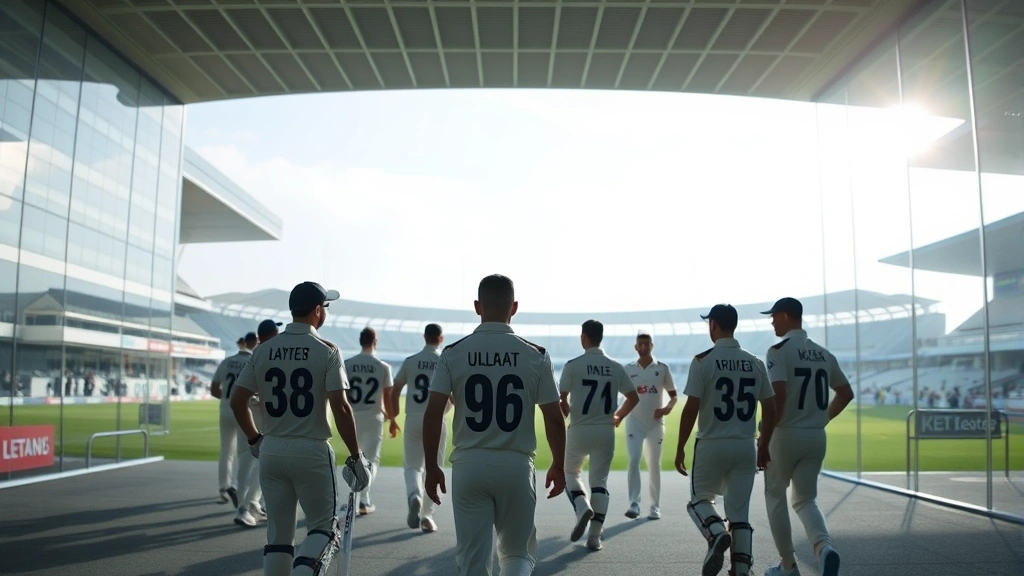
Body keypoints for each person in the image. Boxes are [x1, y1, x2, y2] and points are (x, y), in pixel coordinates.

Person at [423, 274, 567, 576]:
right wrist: (559, 464)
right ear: (514, 307)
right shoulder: (536, 354)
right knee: (517, 555)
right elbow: (554, 417)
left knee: (472, 561)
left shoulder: (452, 353)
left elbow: (434, 413)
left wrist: (432, 466)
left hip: (469, 463)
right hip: (516, 463)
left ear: (477, 306)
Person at [230, 281, 371, 576]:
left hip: (272, 448)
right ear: (318, 310)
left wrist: (254, 438)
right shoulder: (327, 350)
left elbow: (237, 400)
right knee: (324, 530)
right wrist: (356, 455)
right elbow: (342, 408)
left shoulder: (263, 350)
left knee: (278, 538)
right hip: (311, 449)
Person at [675, 305, 777, 576]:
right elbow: (770, 407)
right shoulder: (755, 363)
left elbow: (691, 408)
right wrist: (764, 443)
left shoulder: (703, 361)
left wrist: (680, 447)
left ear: (713, 324)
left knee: (699, 501)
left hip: (711, 443)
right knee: (740, 514)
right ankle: (741, 570)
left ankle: (716, 532)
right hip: (745, 445)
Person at [760, 297, 853, 576]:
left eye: (774, 316)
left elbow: (779, 395)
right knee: (805, 499)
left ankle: (788, 566)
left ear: (785, 316)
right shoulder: (824, 354)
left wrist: (764, 437)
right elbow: (845, 393)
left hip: (785, 435)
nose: (772, 322)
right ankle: (823, 548)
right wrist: (822, 419)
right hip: (815, 436)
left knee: (775, 496)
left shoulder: (777, 351)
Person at [558, 319, 639, 551]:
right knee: (599, 482)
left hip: (579, 429)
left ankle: (581, 505)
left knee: (570, 472)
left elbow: (562, 400)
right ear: (600, 337)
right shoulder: (615, 366)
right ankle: (594, 537)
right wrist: (618, 416)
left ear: (583, 337)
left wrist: (566, 409)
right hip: (605, 430)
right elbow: (633, 398)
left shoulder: (573, 365)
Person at [391, 323, 449, 533]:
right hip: (438, 420)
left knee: (413, 466)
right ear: (441, 339)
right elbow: (453, 396)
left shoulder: (411, 361)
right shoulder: (445, 361)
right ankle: (427, 516)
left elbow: (396, 389)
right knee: (435, 467)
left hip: (414, 417)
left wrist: (393, 416)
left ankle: (414, 494)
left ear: (425, 337)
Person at [623, 331, 678, 519]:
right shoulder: (628, 369)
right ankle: (634, 503)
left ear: (652, 346)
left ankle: (655, 506)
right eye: (640, 344)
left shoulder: (662, 368)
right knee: (634, 460)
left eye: (647, 344)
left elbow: (673, 396)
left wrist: (667, 408)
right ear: (636, 347)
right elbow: (623, 396)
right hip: (634, 422)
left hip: (655, 424)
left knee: (654, 464)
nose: (644, 347)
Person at [232, 320, 281, 528]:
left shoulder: (258, 354)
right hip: (257, 411)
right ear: (272, 334)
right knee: (251, 458)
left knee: (256, 460)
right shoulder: (266, 354)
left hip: (253, 411)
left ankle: (252, 503)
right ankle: (243, 507)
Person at [344, 327, 395, 515]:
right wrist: (392, 419)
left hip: (352, 417)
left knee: (356, 458)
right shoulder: (383, 366)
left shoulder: (347, 364)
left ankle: (356, 496)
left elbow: (343, 394)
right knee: (371, 460)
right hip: (374, 418)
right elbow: (387, 397)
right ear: (375, 342)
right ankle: (363, 499)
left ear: (360, 341)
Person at [211, 333, 254, 506]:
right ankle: (236, 485)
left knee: (226, 451)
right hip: (243, 409)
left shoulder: (226, 361)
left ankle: (223, 490)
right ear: (255, 342)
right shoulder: (252, 361)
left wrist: (227, 399)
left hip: (225, 409)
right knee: (244, 452)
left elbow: (214, 390)